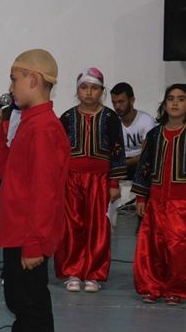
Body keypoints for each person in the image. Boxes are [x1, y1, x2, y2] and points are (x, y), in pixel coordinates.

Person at [0, 48, 70, 332]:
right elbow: (6, 171)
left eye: (14, 78)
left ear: (34, 80)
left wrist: (35, 244)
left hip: (28, 236)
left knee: (33, 309)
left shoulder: (45, 128)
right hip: (16, 232)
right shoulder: (29, 123)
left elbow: (45, 194)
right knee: (19, 304)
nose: (11, 86)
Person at [54, 68, 126, 293]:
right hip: (71, 179)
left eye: (94, 88)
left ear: (102, 91)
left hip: (99, 180)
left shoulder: (110, 118)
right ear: (77, 91)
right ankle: (73, 272)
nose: (88, 92)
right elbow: (57, 151)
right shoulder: (67, 118)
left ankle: (94, 274)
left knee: (98, 227)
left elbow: (117, 150)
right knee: (71, 225)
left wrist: (114, 183)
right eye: (84, 87)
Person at [131, 83, 186, 305]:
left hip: (182, 204)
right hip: (155, 200)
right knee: (152, 245)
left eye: (181, 99)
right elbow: (144, 166)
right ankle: (151, 286)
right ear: (164, 104)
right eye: (170, 99)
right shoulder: (154, 134)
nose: (175, 103)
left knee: (178, 247)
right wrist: (141, 196)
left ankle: (176, 288)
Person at [110, 82, 158, 180]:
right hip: (120, 166)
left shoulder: (146, 120)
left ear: (132, 101)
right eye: (114, 102)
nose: (117, 106)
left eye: (121, 101)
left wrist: (123, 164)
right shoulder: (112, 122)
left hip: (140, 165)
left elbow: (147, 154)